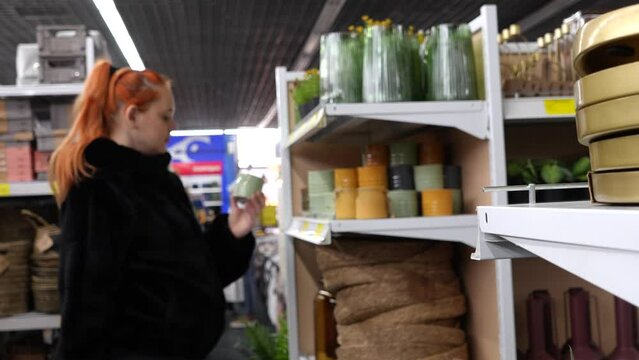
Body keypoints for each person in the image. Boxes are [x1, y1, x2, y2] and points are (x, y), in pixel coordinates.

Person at [49, 60, 265, 360]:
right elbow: (85, 305)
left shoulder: (164, 184)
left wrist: (232, 232)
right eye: (165, 117)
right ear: (133, 115)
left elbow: (196, 274)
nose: (173, 127)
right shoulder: (97, 189)